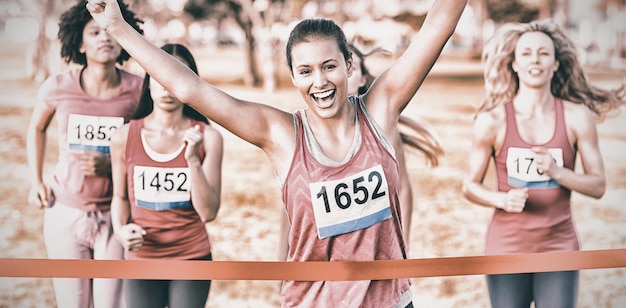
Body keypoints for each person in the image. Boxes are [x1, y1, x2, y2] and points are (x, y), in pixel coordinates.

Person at [86, 0, 466, 306]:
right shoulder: (282, 134)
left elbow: (438, 24)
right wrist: (118, 27)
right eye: (306, 71)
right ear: (294, 77)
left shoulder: (380, 110)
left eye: (329, 66)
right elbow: (191, 90)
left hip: (389, 301)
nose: (319, 82)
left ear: (349, 66)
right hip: (314, 302)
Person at [462, 19, 625, 308]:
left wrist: (556, 171)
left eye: (543, 53)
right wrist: (501, 199)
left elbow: (598, 185)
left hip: (559, 245)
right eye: (525, 53)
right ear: (513, 64)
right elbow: (469, 186)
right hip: (506, 247)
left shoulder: (577, 117)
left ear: (556, 64)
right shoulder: (492, 120)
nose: (534, 60)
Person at [278, 43, 445, 260]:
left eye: (350, 67)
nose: (325, 78)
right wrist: (283, 254)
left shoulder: (381, 127)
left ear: (359, 77)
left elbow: (403, 189)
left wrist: (402, 245)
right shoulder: (302, 133)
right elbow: (292, 207)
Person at [26, 1, 143, 307]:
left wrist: (112, 164)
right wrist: (36, 179)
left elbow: (147, 146)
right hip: (65, 210)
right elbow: (36, 129)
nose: (105, 38)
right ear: (79, 41)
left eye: (110, 32)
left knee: (111, 304)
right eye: (95, 32)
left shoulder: (138, 91)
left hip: (116, 213)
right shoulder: (59, 87)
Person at [109, 43, 222, 308]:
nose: (167, 85)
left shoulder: (209, 137)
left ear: (191, 82)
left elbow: (209, 213)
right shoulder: (124, 136)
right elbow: (119, 196)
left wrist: (192, 159)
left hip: (192, 256)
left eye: (178, 75)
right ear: (148, 81)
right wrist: (120, 230)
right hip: (142, 258)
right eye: (160, 75)